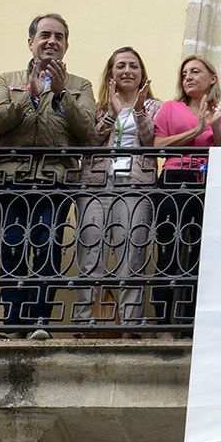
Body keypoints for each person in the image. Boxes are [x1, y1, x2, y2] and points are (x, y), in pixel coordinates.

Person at [0, 13, 97, 331]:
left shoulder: (80, 85)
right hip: (12, 178)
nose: (52, 41)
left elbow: (87, 131)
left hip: (57, 179)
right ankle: (12, 322)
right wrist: (30, 98)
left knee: (47, 246)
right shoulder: (8, 79)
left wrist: (61, 94)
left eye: (59, 36)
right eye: (45, 35)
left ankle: (39, 320)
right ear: (31, 42)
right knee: (11, 246)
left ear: (66, 45)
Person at [73, 47, 159, 329]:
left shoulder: (155, 106)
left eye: (134, 66)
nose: (127, 71)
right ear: (110, 73)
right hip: (98, 183)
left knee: (131, 252)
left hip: (137, 183)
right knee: (91, 251)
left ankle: (129, 325)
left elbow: (150, 143)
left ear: (142, 73)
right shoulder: (97, 106)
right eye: (120, 66)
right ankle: (86, 323)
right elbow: (89, 143)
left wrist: (138, 111)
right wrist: (110, 113)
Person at [152, 55, 221, 329]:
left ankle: (191, 323)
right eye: (185, 72)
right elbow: (158, 145)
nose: (188, 77)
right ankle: (163, 325)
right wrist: (197, 130)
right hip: (174, 177)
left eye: (195, 71)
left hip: (209, 181)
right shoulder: (170, 108)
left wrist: (214, 126)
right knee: (168, 250)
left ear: (212, 78)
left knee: (202, 253)